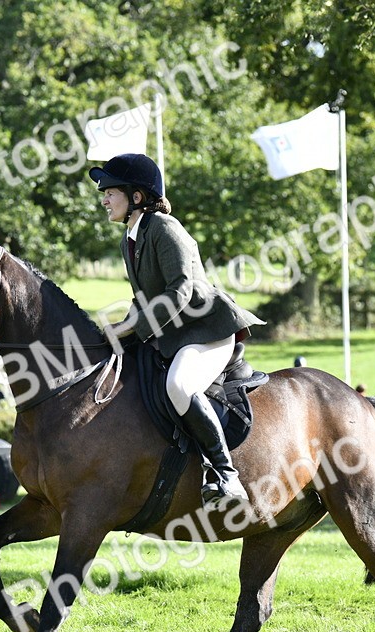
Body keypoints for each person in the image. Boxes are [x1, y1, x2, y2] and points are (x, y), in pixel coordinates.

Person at [90, 153, 265, 509]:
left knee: (179, 385)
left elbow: (179, 292)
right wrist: (115, 332)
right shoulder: (130, 239)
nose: (104, 199)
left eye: (110, 192)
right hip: (174, 334)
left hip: (207, 330)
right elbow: (143, 300)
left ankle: (226, 475)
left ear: (136, 196)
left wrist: (131, 327)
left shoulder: (165, 228)